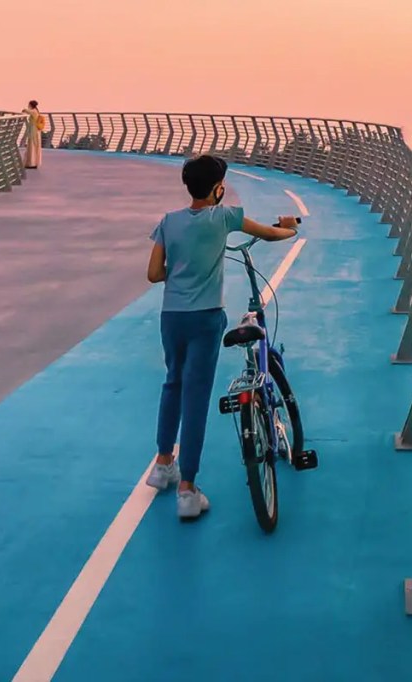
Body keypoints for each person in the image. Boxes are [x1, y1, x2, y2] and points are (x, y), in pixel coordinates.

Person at [144, 155, 300, 520]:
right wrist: (290, 229)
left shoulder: (168, 221)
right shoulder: (225, 217)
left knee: (173, 383)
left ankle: (163, 464)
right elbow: (269, 233)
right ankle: (187, 489)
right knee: (196, 398)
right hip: (206, 318)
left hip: (172, 316)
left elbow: (154, 273)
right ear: (218, 188)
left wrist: (180, 270)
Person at [22, 100, 45, 169]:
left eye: (29, 105)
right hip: (35, 130)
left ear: (31, 105)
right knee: (34, 147)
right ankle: (33, 163)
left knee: (32, 146)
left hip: (33, 131)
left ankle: (31, 163)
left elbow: (26, 111)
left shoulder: (34, 111)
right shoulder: (36, 111)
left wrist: (23, 110)